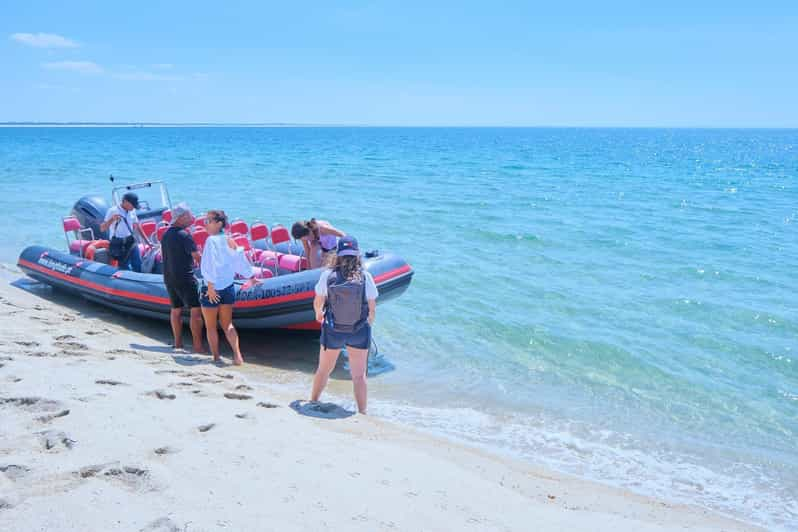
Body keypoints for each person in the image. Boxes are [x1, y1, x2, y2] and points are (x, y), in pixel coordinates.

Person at [310, 236, 378, 414]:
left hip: (333, 330)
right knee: (359, 375)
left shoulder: (328, 275)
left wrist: (319, 315)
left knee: (324, 370)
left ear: (338, 254)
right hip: (359, 331)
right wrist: (367, 323)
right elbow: (372, 308)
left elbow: (318, 303)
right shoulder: (365, 276)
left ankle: (313, 400)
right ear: (357, 255)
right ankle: (362, 411)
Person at [200, 210, 258, 365]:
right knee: (228, 324)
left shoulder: (211, 241)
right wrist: (251, 277)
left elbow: (209, 265)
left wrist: (211, 287)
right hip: (227, 287)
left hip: (212, 288)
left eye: (208, 221)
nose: (205, 224)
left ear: (218, 223)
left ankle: (216, 357)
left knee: (211, 326)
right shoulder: (230, 240)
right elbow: (240, 262)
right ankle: (237, 356)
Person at [160, 202, 204, 354]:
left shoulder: (166, 234)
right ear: (181, 217)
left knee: (176, 310)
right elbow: (197, 256)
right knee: (196, 311)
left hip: (169, 277)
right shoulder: (185, 235)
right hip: (185, 277)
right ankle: (198, 347)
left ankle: (178, 343)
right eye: (189, 215)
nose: (191, 217)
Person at [100, 192, 149, 272]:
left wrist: (148, 242)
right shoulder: (112, 211)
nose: (133, 208)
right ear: (125, 202)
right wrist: (112, 219)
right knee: (124, 266)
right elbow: (102, 228)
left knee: (137, 263)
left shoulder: (132, 211)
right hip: (118, 243)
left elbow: (137, 226)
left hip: (130, 240)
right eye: (132, 205)